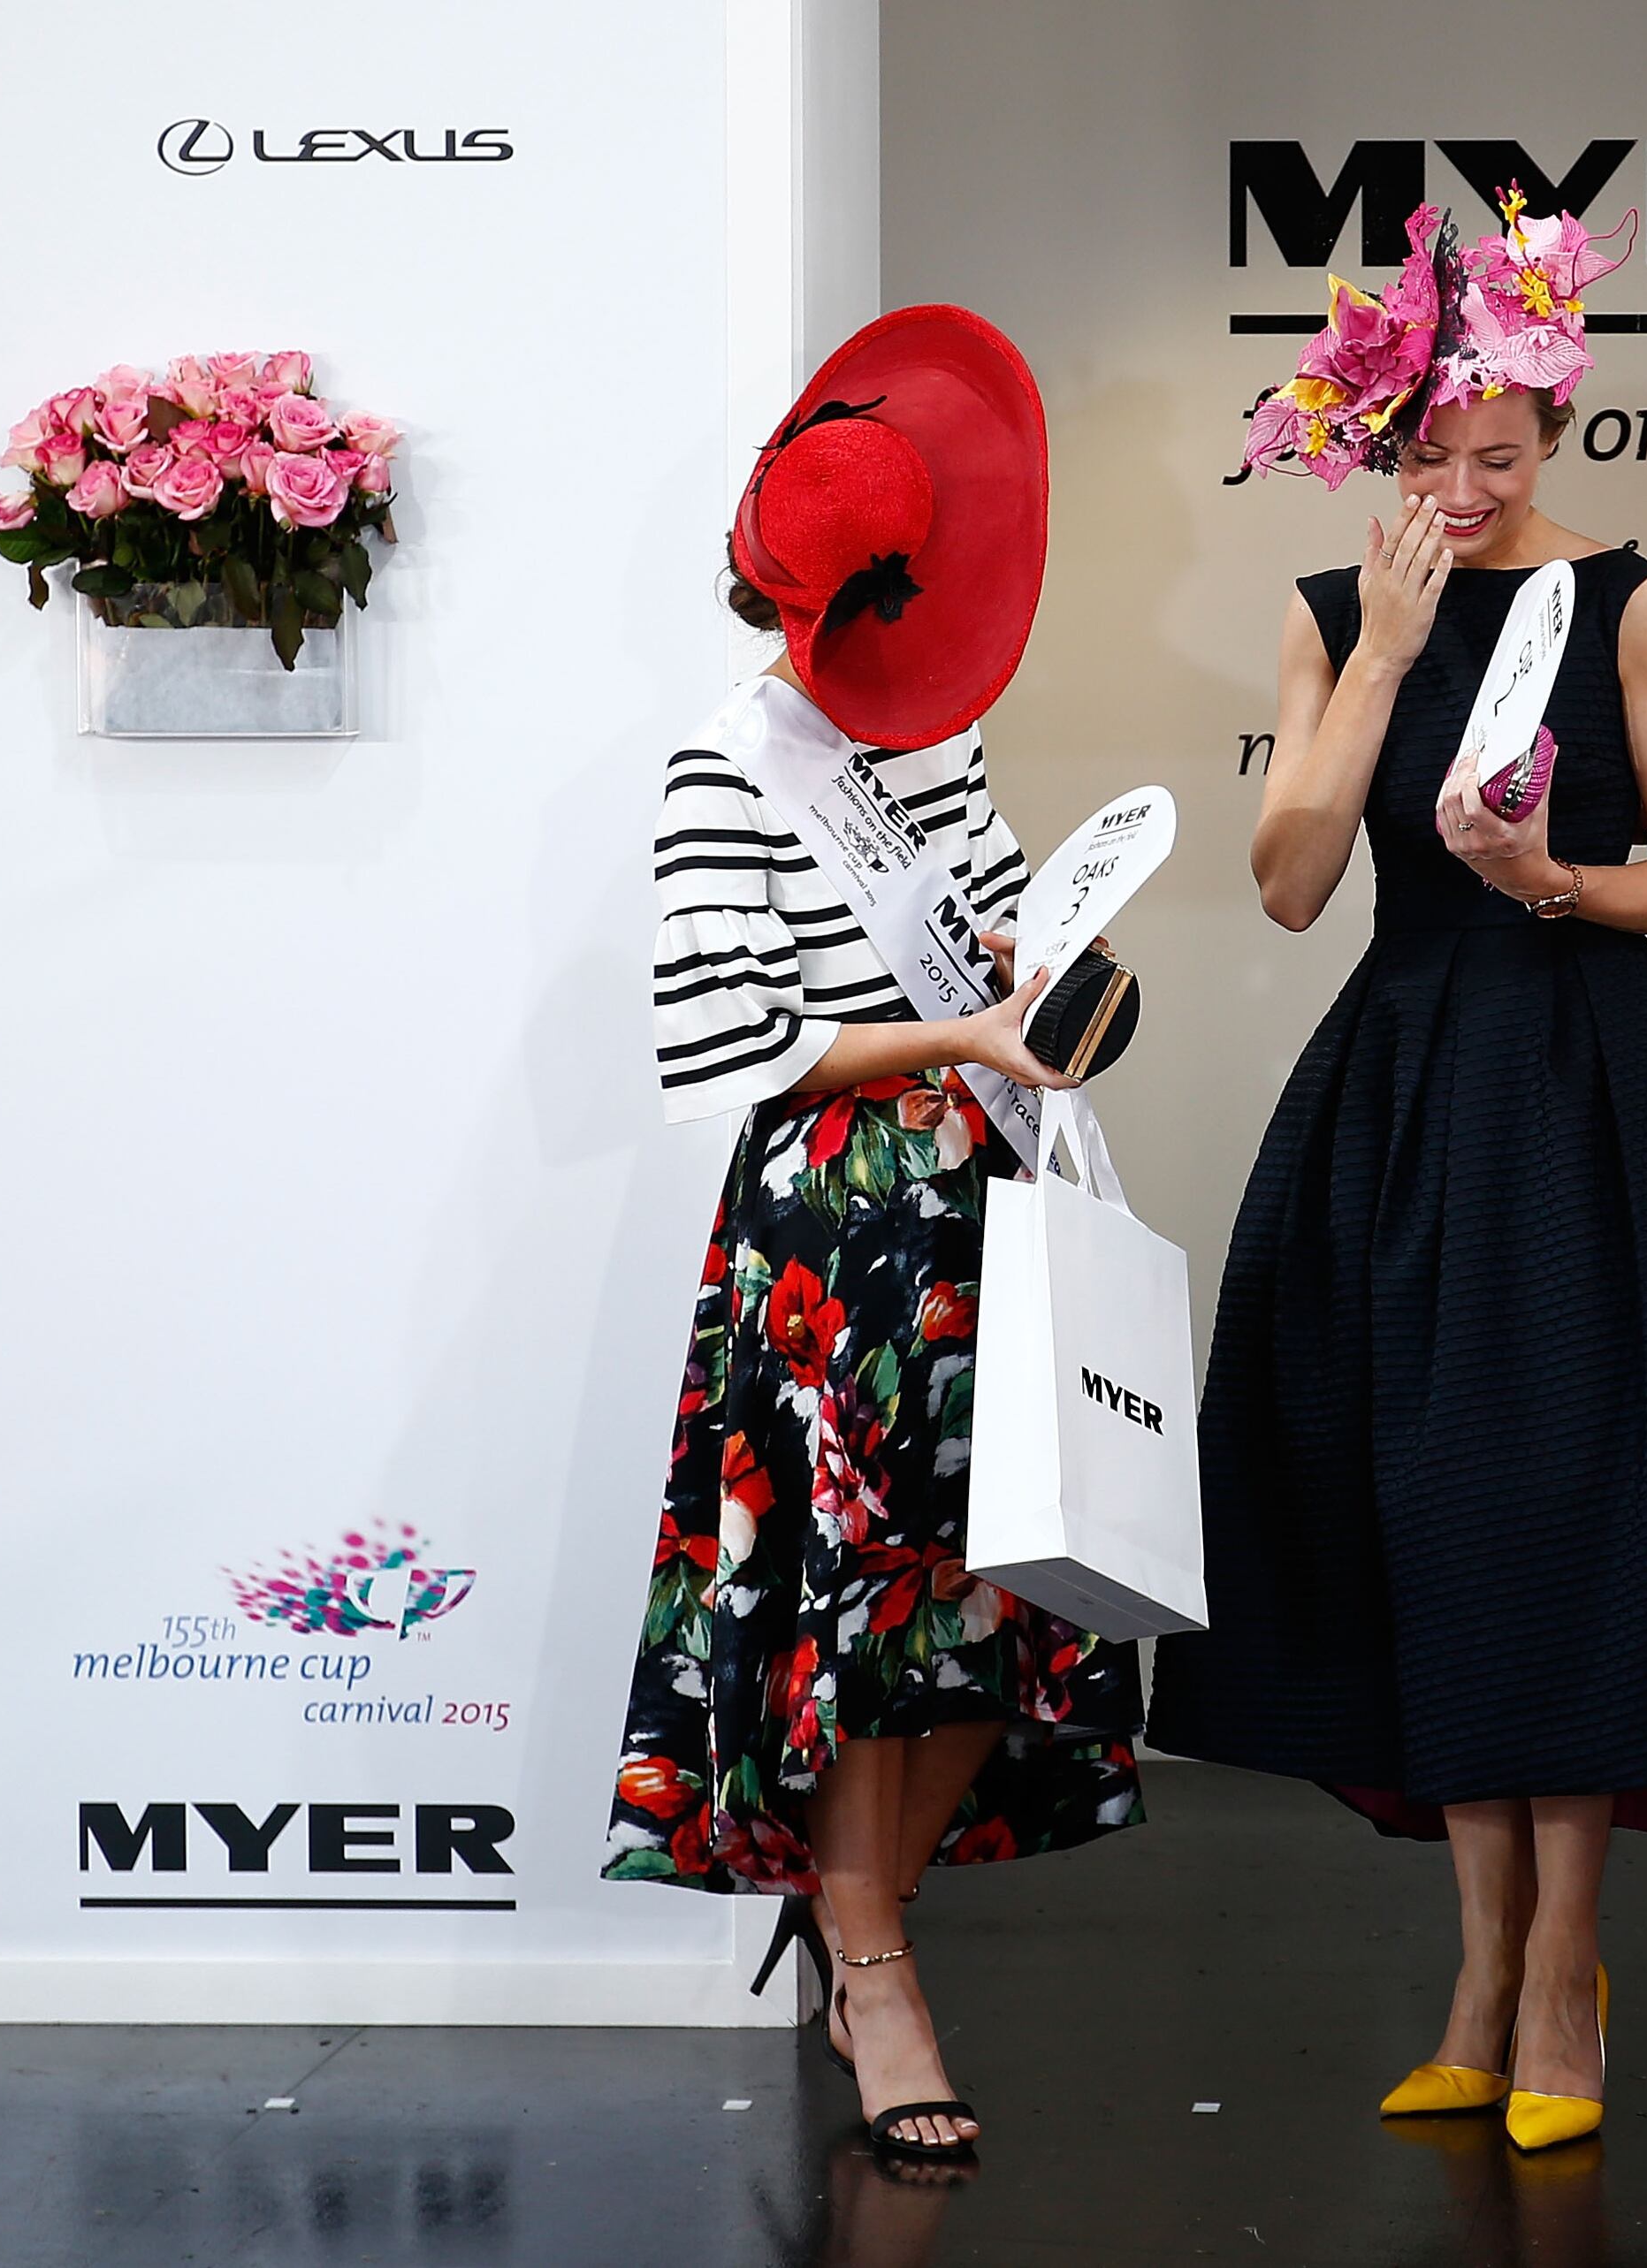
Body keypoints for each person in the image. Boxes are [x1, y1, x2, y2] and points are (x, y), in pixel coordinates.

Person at [1147, 196, 1647, 2152]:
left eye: (1498, 456)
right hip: (1408, 1088)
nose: (1463, 489)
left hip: (1592, 1087)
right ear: (1382, 445)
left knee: (1572, 1515)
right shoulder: (1335, 612)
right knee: (1428, 1516)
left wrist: (1556, 879)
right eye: (1430, 457)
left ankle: (1562, 1974)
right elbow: (1289, 885)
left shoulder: (1633, 602)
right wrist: (1382, 658)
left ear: (1552, 427)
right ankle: (1476, 1971)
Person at [603, 308, 1143, 2165]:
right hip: (835, 1241)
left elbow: (994, 920)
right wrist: (966, 1032)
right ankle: (877, 1963)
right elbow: (734, 1042)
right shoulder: (724, 765)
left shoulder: (939, 729)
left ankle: (861, 1924)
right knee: (857, 1608)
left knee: (1003, 1595)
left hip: (987, 1199)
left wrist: (1042, 970)